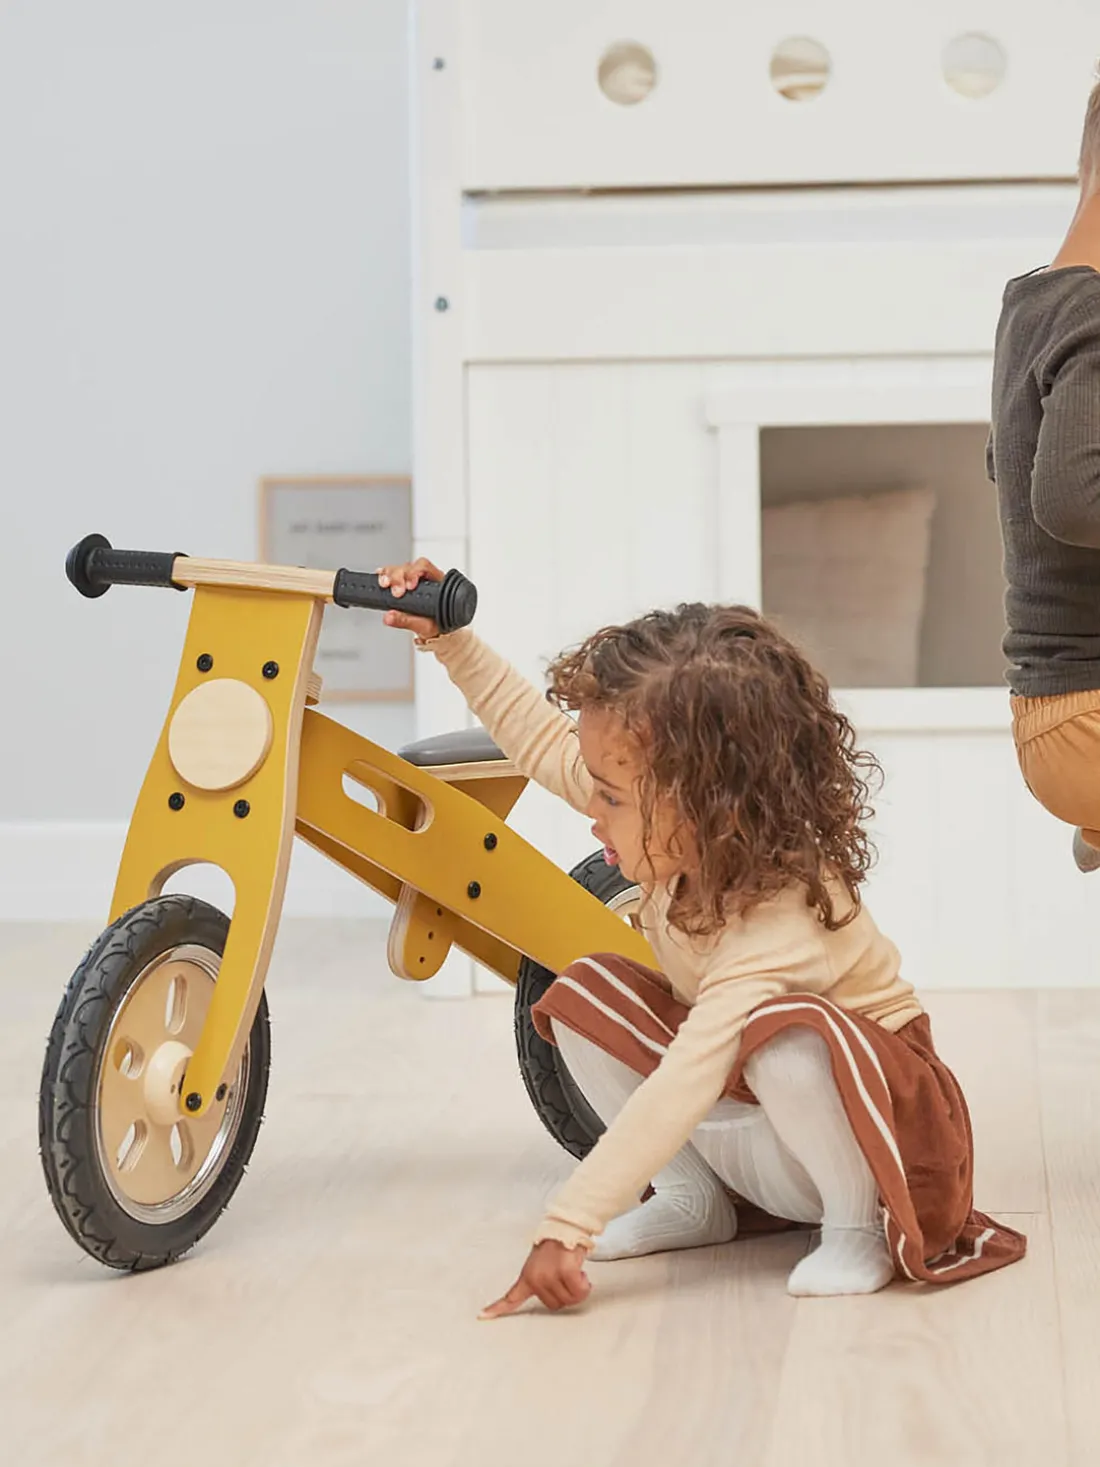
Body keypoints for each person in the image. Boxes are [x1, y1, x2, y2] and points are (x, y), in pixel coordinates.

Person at [379, 560, 1026, 1316]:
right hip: (771, 1128)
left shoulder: (782, 916)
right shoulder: (678, 839)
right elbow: (539, 743)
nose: (592, 813)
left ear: (711, 807)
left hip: (887, 1142)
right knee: (583, 989)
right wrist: (451, 639)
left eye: (612, 798)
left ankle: (857, 1231)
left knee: (788, 1036)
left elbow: (687, 1078)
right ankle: (694, 1199)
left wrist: (569, 1222)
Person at [988, 72, 1100, 870]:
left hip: (1053, 713)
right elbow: (1070, 501)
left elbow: (1010, 465)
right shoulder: (1094, 310)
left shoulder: (1032, 308)